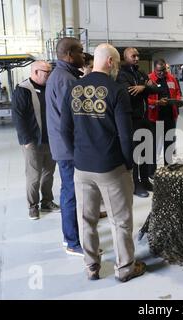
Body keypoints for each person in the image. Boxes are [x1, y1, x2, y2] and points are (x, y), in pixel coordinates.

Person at [60, 43, 146, 282]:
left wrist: (77, 155)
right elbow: (126, 135)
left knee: (86, 219)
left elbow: (64, 129)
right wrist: (128, 165)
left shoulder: (74, 89)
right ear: (110, 62)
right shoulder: (116, 90)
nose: (117, 66)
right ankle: (125, 268)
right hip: (110, 167)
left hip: (81, 167)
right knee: (120, 221)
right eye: (116, 62)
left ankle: (91, 267)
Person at [45, 37, 85, 256]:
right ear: (69, 54)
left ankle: (69, 237)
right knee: (70, 193)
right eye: (80, 51)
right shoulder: (65, 80)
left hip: (63, 146)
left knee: (68, 191)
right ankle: (72, 241)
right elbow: (74, 118)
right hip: (68, 149)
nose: (83, 55)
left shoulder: (62, 75)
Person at [11, 61, 59, 220]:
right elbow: (18, 118)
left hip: (50, 139)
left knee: (49, 173)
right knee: (33, 176)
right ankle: (32, 206)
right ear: (36, 72)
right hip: (32, 141)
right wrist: (26, 141)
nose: (49, 75)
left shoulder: (49, 88)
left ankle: (47, 201)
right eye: (47, 72)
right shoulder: (23, 90)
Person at [116, 47, 157, 197]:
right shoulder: (122, 75)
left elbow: (155, 88)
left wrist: (144, 87)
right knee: (134, 154)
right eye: (133, 56)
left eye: (138, 55)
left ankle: (145, 180)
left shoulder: (141, 73)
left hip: (145, 118)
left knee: (146, 151)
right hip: (132, 120)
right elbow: (129, 92)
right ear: (125, 57)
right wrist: (146, 86)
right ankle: (136, 184)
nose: (136, 58)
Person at [147, 58, 181, 172]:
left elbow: (177, 92)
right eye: (158, 71)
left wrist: (177, 101)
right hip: (154, 117)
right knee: (153, 145)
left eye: (163, 70)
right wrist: (157, 102)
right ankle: (152, 171)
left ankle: (168, 168)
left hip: (170, 116)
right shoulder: (149, 79)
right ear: (154, 69)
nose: (161, 73)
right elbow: (145, 99)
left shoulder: (171, 78)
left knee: (169, 142)